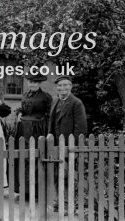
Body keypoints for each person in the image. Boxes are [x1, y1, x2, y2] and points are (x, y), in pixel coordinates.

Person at [48, 76, 87, 212]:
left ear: (70, 87)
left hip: (69, 147)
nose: (62, 88)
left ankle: (66, 204)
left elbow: (81, 128)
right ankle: (58, 202)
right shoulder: (55, 101)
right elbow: (52, 122)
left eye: (65, 85)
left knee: (67, 175)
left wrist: (74, 149)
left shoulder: (76, 103)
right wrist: (50, 137)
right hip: (56, 146)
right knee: (56, 174)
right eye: (60, 86)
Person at [13, 73, 53, 196]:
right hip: (23, 129)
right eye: (30, 82)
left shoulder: (46, 97)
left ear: (39, 83)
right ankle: (23, 189)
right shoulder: (25, 95)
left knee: (35, 156)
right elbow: (23, 109)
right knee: (23, 156)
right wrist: (19, 112)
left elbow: (50, 114)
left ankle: (36, 191)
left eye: (35, 82)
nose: (32, 84)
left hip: (38, 129)